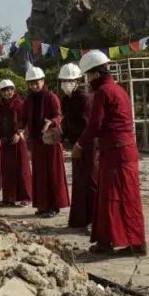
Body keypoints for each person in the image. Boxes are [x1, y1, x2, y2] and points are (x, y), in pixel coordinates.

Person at [75, 50, 146, 255]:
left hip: (116, 151)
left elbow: (94, 124)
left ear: (95, 74)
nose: (88, 81)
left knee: (116, 197)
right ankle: (113, 241)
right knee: (118, 197)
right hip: (123, 149)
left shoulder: (103, 93)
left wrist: (80, 145)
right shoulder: (118, 90)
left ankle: (130, 243)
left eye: (88, 76)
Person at [22, 65, 70, 217]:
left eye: (37, 82)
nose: (34, 86)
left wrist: (51, 122)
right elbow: (23, 118)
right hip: (37, 141)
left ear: (43, 81)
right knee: (39, 174)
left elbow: (59, 115)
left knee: (53, 174)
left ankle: (54, 206)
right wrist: (19, 128)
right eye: (31, 83)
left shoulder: (51, 97)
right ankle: (42, 205)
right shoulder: (28, 100)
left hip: (51, 141)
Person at [59, 62, 97, 229]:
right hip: (75, 144)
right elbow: (66, 122)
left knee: (91, 182)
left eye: (70, 80)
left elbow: (86, 124)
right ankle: (81, 219)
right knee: (79, 183)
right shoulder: (65, 100)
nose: (66, 84)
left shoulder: (84, 98)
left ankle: (94, 219)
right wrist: (60, 133)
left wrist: (78, 143)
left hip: (88, 145)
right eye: (63, 80)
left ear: (77, 81)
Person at [0, 78, 32, 207]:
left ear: (14, 90)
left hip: (19, 140)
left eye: (10, 90)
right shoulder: (1, 106)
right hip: (6, 141)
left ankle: (26, 197)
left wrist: (19, 133)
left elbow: (24, 120)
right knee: (7, 170)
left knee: (22, 169)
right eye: (5, 91)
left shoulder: (20, 103)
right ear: (1, 92)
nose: (8, 93)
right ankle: (9, 198)